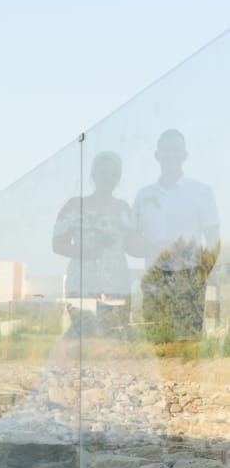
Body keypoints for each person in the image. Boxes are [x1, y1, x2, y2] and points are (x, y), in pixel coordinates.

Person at [131, 129, 220, 343]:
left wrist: (201, 276)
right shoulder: (144, 196)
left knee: (188, 342)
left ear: (184, 155)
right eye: (166, 150)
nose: (170, 155)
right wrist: (151, 247)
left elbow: (213, 240)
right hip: (153, 279)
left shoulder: (201, 192)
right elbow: (131, 241)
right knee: (156, 341)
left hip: (189, 278)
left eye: (176, 150)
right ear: (157, 155)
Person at [52, 151, 134, 337]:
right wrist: (87, 252)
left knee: (114, 335)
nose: (108, 178)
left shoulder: (123, 208)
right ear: (94, 174)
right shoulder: (74, 205)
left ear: (118, 178)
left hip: (116, 281)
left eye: (113, 174)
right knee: (85, 334)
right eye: (104, 172)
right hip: (82, 281)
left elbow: (131, 244)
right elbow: (57, 244)